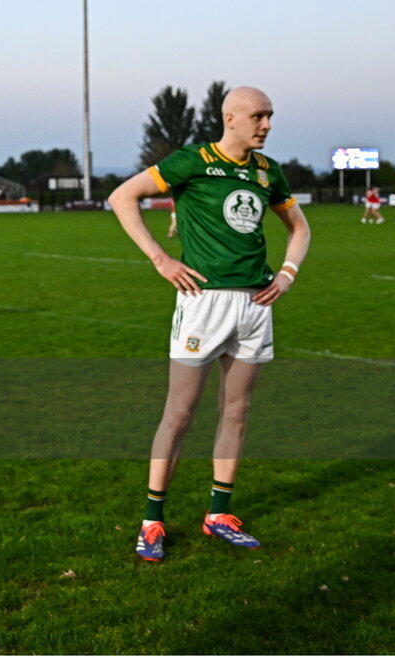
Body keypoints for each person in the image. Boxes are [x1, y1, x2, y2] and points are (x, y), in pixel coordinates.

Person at [108, 86, 311, 562]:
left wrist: (287, 273)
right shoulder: (193, 161)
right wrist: (160, 258)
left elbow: (298, 227)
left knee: (237, 412)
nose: (266, 124)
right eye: (259, 116)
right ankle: (152, 520)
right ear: (232, 118)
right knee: (179, 413)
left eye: (270, 116)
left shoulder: (267, 172)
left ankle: (219, 513)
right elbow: (123, 197)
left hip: (256, 303)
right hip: (203, 302)